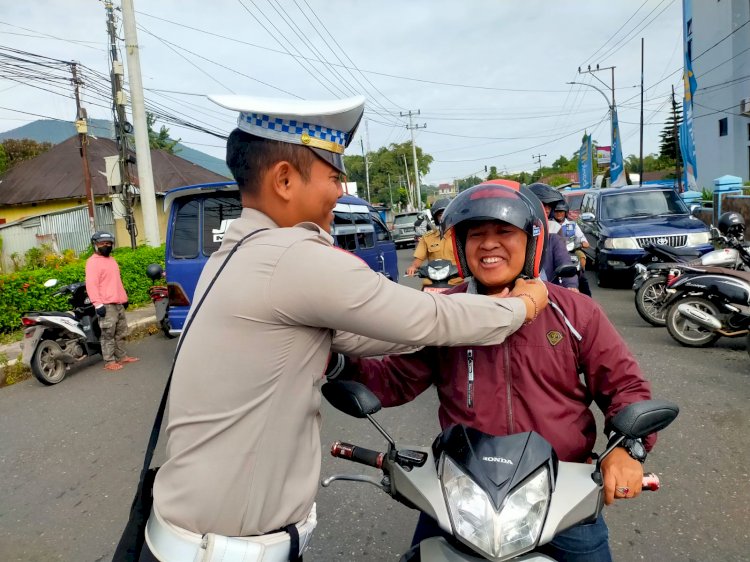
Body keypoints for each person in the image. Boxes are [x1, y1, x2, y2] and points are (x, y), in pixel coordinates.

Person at [141, 95, 549, 562]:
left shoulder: (234, 254)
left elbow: (370, 331)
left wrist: (424, 306)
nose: (340, 190)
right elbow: (426, 322)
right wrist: (522, 306)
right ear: (285, 179)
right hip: (225, 550)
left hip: (192, 536)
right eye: (333, 176)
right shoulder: (293, 258)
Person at [331, 182, 654, 562]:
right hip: (461, 490)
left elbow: (626, 386)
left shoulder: (574, 311)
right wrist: (335, 361)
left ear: (531, 241)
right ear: (462, 247)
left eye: (503, 232)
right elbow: (396, 379)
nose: (488, 244)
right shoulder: (445, 314)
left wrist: (628, 449)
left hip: (559, 491)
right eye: (477, 234)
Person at [84, 231, 138, 372]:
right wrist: (97, 303)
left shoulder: (112, 260)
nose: (106, 245)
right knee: (108, 334)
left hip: (118, 303)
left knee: (121, 332)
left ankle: (122, 356)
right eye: (103, 243)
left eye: (109, 243)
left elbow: (116, 282)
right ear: (95, 245)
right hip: (106, 305)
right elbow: (91, 284)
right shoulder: (92, 263)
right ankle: (109, 361)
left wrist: (123, 298)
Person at [526, 183, 579, 291]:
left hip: (549, 290)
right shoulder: (519, 231)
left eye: (549, 206)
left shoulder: (554, 231)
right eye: (542, 204)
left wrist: (571, 286)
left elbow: (563, 259)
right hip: (521, 291)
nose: (546, 209)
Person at [406, 198, 462, 287]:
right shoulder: (427, 237)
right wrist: (413, 267)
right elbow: (419, 259)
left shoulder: (461, 236)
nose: (443, 217)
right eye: (440, 215)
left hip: (455, 283)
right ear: (435, 217)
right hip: (431, 283)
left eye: (446, 213)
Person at [553, 200, 590, 268]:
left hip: (572, 250)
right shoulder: (549, 224)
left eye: (561, 211)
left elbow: (582, 238)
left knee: (582, 257)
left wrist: (583, 242)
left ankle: (581, 276)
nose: (558, 214)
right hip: (554, 252)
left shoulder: (572, 224)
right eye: (556, 211)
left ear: (565, 212)